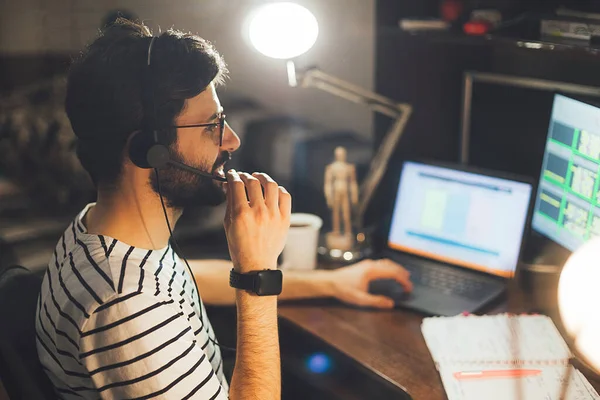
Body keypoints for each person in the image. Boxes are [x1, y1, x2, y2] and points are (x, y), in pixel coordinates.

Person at [35, 19, 412, 399]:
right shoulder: (128, 309)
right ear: (148, 149)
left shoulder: (100, 232)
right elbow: (144, 300)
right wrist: (257, 275)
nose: (231, 140)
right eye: (212, 126)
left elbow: (187, 276)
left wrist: (332, 283)